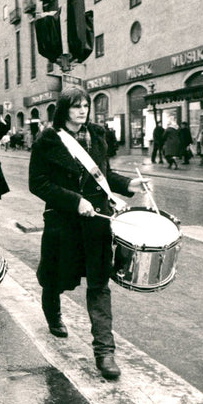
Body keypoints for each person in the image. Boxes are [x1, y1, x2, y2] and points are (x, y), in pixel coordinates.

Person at [28, 87, 147, 381]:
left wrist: (129, 185)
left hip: (96, 223)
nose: (82, 110)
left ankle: (105, 352)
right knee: (55, 277)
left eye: (85, 105)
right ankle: (53, 313)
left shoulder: (96, 134)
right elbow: (38, 183)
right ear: (64, 109)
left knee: (99, 284)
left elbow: (103, 175)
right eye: (76, 106)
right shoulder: (48, 139)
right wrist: (74, 200)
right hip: (63, 222)